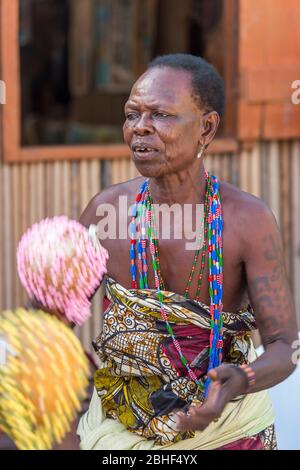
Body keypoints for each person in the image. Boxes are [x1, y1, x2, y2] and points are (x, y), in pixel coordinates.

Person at [76, 54, 297, 450]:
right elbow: (52, 321)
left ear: (206, 128)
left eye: (160, 115)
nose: (140, 128)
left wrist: (240, 380)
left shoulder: (248, 220)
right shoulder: (105, 213)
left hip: (231, 427)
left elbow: (285, 346)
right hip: (121, 426)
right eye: (132, 114)